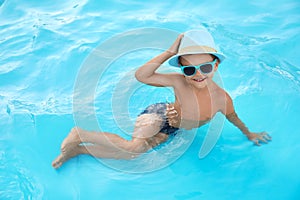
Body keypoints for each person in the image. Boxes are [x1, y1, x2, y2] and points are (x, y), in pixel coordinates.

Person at [52, 29, 271, 169]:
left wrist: (248, 133)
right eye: (190, 69)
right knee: (134, 149)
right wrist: (168, 53)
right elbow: (142, 76)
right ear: (182, 69)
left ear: (215, 66)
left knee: (132, 158)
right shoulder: (179, 81)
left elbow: (233, 117)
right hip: (158, 115)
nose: (198, 74)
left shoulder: (222, 99)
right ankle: (80, 134)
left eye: (205, 67)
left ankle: (79, 150)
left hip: (173, 130)